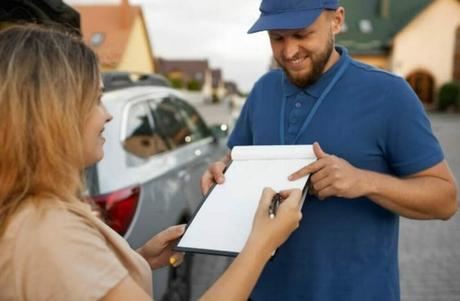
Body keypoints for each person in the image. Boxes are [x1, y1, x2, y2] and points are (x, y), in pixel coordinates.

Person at [0, 25, 303, 301]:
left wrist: (138, 260)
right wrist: (261, 243)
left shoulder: (28, 213)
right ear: (53, 117)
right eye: (94, 100)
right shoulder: (51, 230)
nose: (106, 114)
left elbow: (71, 283)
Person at [201, 0, 458, 300]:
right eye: (277, 38)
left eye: (302, 34)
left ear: (337, 21)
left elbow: (445, 199)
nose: (289, 51)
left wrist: (365, 181)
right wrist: (221, 168)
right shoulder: (262, 90)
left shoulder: (390, 94)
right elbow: (235, 158)